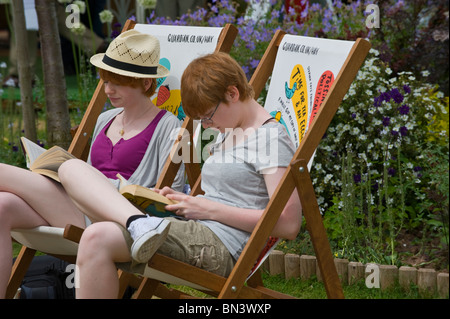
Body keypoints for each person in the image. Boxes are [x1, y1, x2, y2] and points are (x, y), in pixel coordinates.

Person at [56, 52, 302, 298]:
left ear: (232, 93)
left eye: (208, 117)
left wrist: (207, 209)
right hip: (196, 228)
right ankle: (139, 222)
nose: (206, 126)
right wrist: (179, 200)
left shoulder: (269, 138)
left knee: (98, 236)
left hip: (221, 246)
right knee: (74, 174)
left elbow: (288, 224)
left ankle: (138, 223)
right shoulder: (232, 127)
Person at [0, 29, 184, 298]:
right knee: (2, 206)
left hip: (115, 219)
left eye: (118, 83)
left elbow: (171, 193)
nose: (108, 89)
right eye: (106, 80)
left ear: (145, 84)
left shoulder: (169, 125)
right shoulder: (105, 119)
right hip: (78, 208)